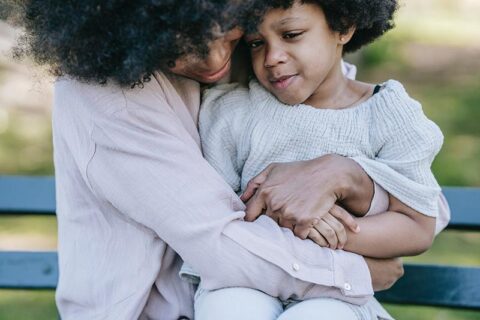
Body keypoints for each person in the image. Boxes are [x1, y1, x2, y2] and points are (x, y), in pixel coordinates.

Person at [14, 1, 448, 319]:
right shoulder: (108, 94)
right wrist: (353, 268)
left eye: (228, 33)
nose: (215, 60)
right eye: (178, 48)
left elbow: (419, 200)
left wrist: (349, 175)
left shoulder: (265, 54)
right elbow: (220, 239)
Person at [189, 0, 450, 319]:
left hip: (339, 297)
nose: (272, 58)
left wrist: (326, 230)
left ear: (343, 26)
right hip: (243, 282)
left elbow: (416, 227)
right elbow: (214, 220)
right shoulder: (233, 112)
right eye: (257, 43)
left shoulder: (390, 117)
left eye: (292, 34)